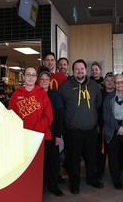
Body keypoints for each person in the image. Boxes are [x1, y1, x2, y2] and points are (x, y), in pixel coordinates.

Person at [59, 59, 103, 194]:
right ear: (73, 71)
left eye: (82, 68)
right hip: (73, 130)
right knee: (73, 159)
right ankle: (75, 182)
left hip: (90, 129)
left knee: (91, 157)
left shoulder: (94, 85)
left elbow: (98, 103)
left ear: (85, 70)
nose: (79, 71)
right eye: (77, 69)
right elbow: (62, 108)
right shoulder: (65, 86)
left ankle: (92, 179)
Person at [37, 66, 64, 196]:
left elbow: (59, 116)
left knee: (53, 162)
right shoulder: (34, 94)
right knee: (39, 163)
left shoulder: (55, 95)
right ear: (38, 80)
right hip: (36, 135)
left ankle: (53, 186)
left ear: (50, 81)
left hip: (52, 134)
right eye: (42, 79)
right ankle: (39, 187)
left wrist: (58, 135)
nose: (44, 81)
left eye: (47, 79)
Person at [8, 66, 53, 141]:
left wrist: (36, 132)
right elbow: (11, 115)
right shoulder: (16, 94)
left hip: (39, 135)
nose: (31, 77)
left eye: (33, 75)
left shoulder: (42, 93)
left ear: (36, 78)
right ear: (23, 77)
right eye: (28, 74)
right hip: (22, 135)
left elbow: (48, 116)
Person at [97, 72, 115, 180]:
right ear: (104, 82)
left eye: (112, 80)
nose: (110, 82)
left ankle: (115, 174)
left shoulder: (118, 93)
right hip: (101, 127)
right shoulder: (99, 93)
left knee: (113, 153)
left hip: (114, 128)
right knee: (101, 152)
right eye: (107, 80)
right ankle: (100, 172)